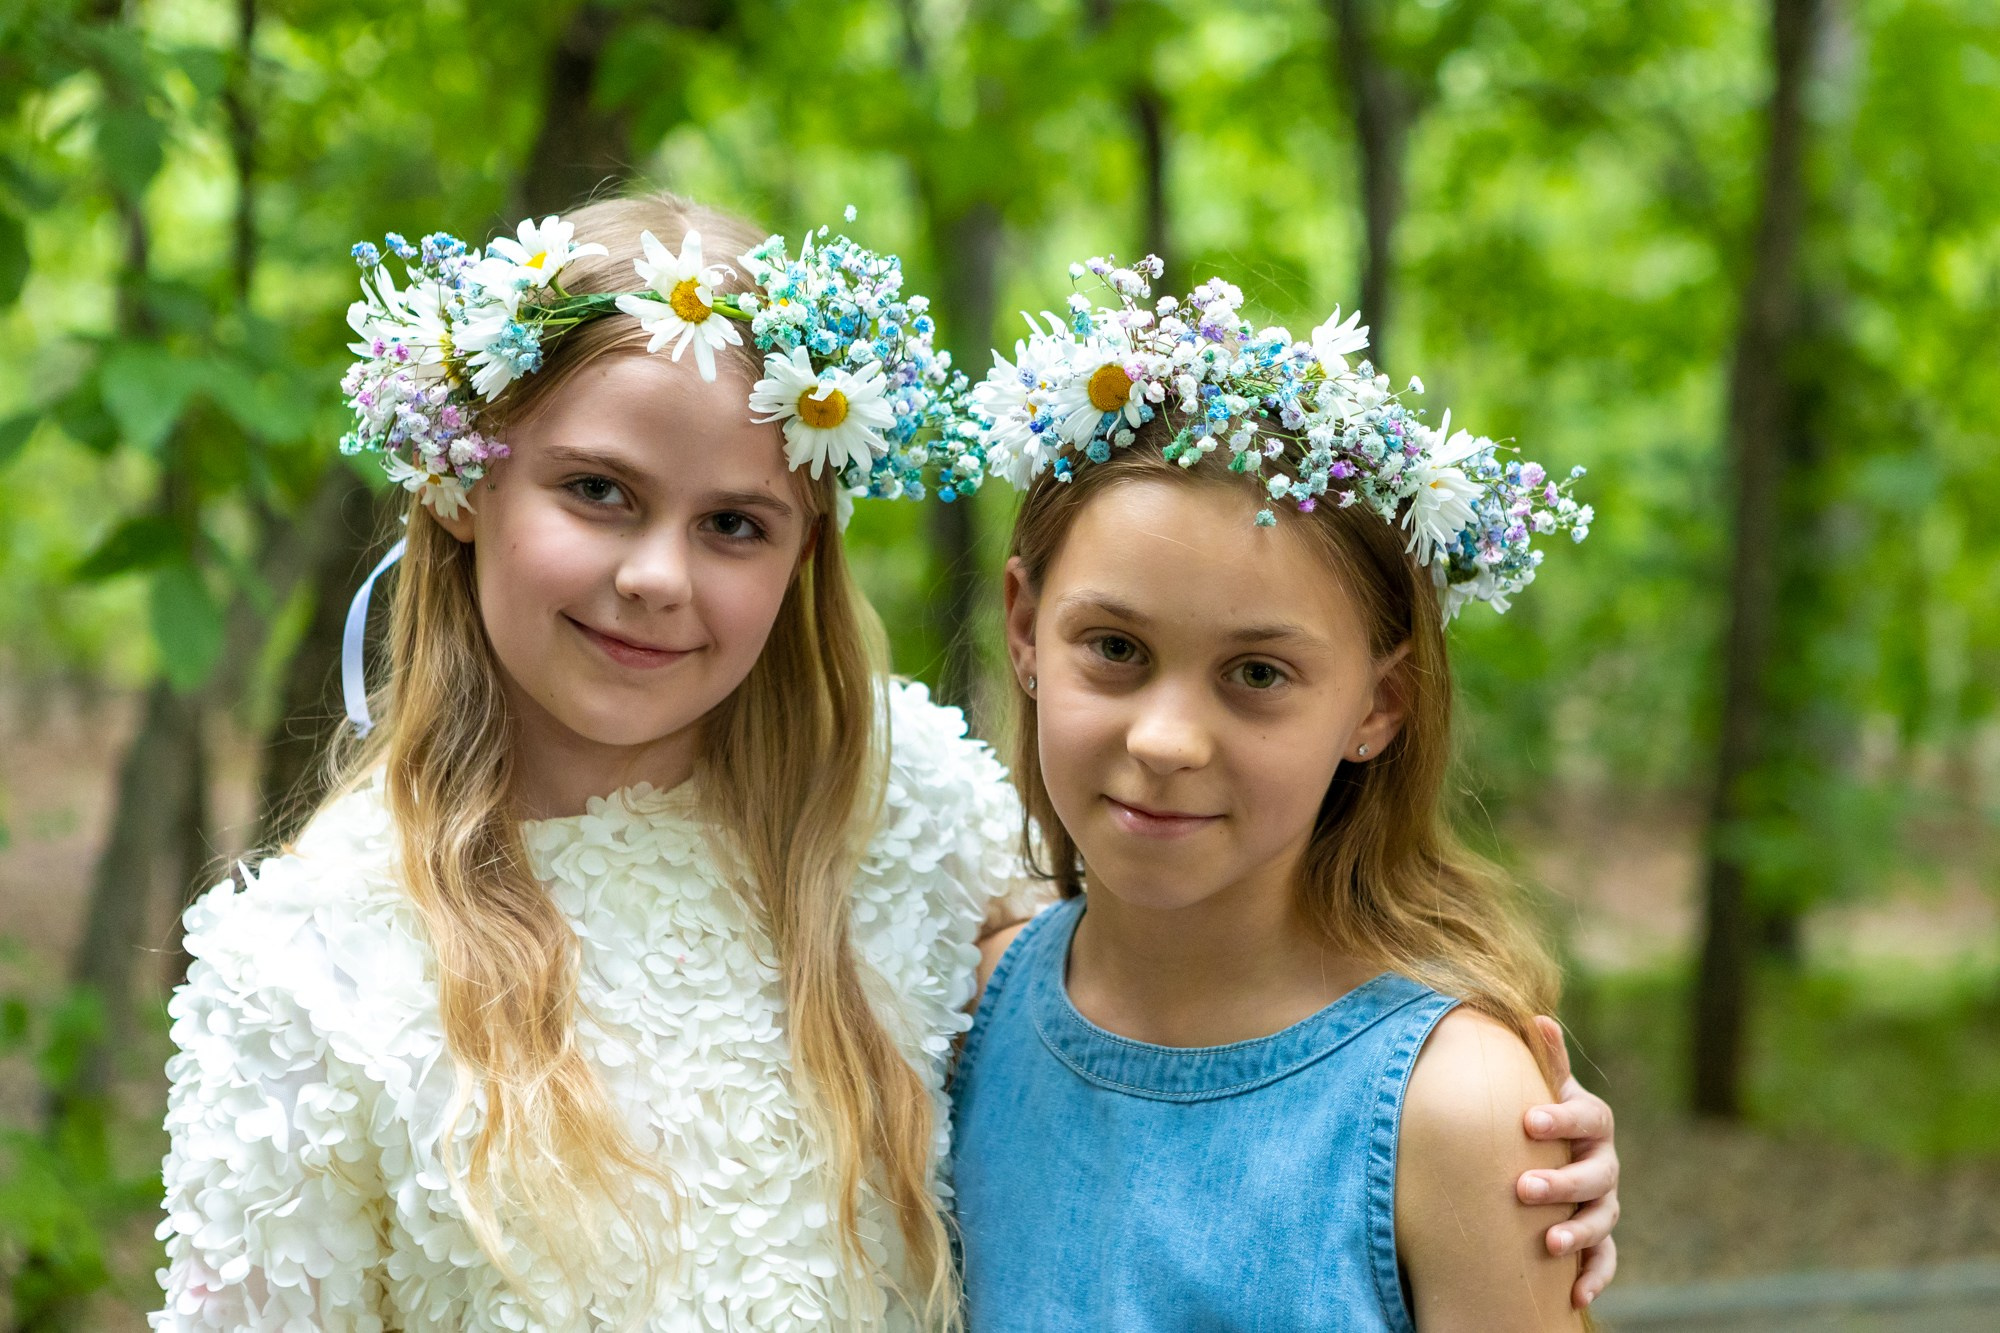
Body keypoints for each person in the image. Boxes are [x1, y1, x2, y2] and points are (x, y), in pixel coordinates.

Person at [153, 203, 1616, 1331]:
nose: (658, 576)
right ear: (461, 478)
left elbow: (1171, 1016)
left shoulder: (896, 798)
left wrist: (1475, 1161)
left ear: (800, 551)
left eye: (736, 523)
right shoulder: (307, 963)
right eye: (598, 493)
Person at [949, 256, 1610, 1330]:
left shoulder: (1454, 1110)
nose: (1165, 739)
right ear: (1024, 629)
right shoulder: (965, 1008)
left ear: (1376, 705)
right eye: (1113, 646)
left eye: (1257, 674)